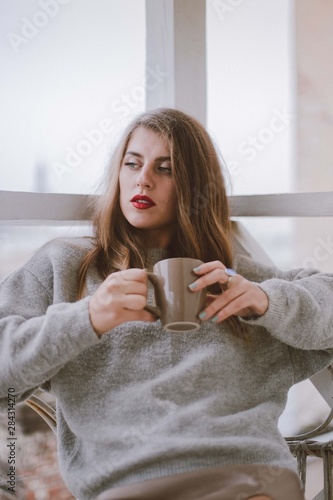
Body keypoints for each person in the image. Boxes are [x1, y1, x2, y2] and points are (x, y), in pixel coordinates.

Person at [0, 108, 332, 500]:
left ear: (194, 186)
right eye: (132, 164)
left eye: (166, 168)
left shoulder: (234, 280)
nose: (143, 179)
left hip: (249, 480)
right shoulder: (65, 267)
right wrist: (86, 318)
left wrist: (269, 301)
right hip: (127, 487)